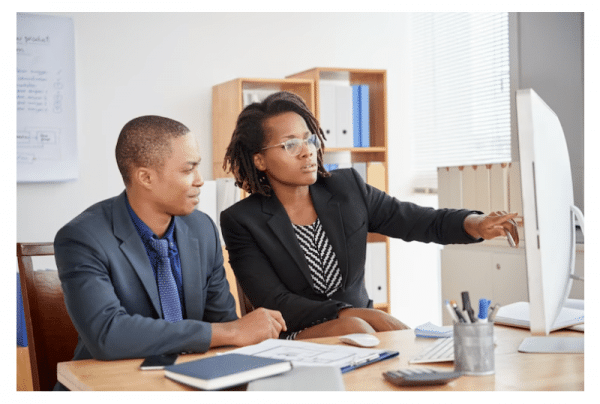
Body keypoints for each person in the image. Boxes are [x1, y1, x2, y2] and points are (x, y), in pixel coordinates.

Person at [219, 91, 519, 340]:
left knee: (393, 340)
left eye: (309, 139)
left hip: (366, 327)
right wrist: (356, 314)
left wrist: (475, 223)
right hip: (297, 333)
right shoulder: (242, 221)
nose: (307, 151)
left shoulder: (346, 189)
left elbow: (417, 220)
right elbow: (275, 303)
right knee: (357, 327)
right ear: (260, 160)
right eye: (290, 144)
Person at [54, 116, 286, 388]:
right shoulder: (82, 238)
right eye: (188, 170)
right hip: (110, 385)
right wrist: (230, 331)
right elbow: (108, 335)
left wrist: (239, 334)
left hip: (189, 382)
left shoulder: (202, 229)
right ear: (146, 177)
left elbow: (224, 324)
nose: (200, 180)